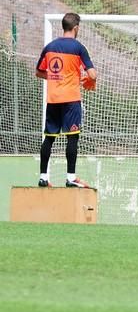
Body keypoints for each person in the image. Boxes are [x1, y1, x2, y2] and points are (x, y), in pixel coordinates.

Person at [35, 12, 97, 188]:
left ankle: (43, 177)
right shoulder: (78, 48)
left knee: (49, 138)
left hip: (53, 99)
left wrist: (57, 76)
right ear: (76, 28)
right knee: (72, 138)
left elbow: (38, 72)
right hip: (71, 99)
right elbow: (92, 73)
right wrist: (90, 80)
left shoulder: (49, 47)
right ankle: (70, 178)